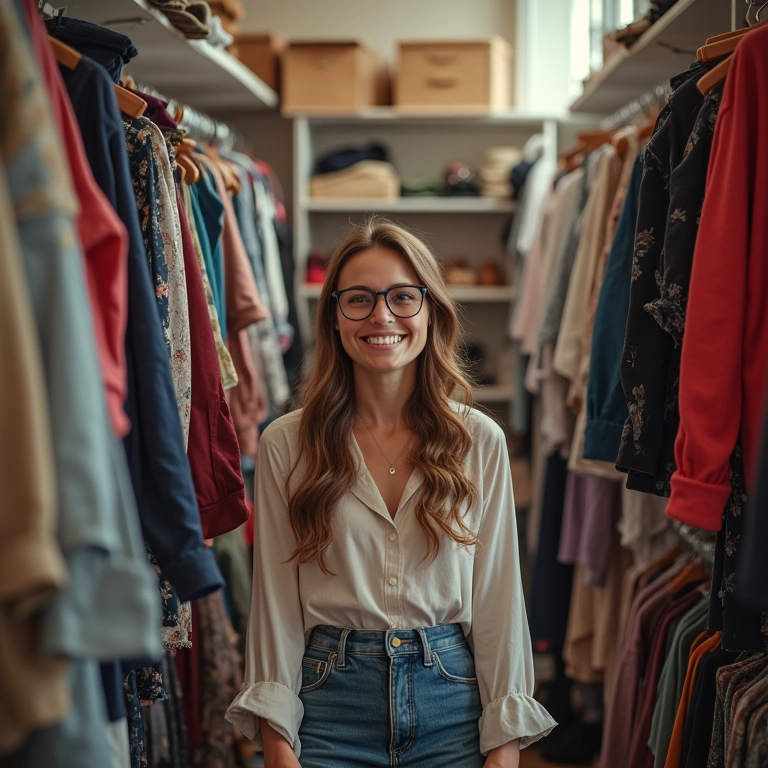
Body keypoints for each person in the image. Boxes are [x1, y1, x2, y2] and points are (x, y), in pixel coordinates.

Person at [226, 219, 556, 767]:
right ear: (334, 317)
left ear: (430, 311)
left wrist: (504, 748)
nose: (382, 316)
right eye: (359, 299)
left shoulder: (479, 440)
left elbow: (499, 598)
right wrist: (279, 749)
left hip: (452, 705)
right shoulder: (287, 443)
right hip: (327, 706)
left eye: (403, 297)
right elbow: (276, 606)